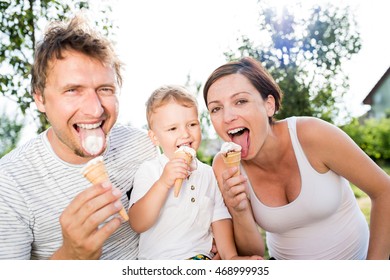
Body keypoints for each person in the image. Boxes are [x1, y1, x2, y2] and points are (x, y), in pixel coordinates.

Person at [0, 15, 157, 259]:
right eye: (72, 90)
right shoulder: (9, 182)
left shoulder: (143, 145)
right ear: (40, 98)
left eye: (105, 89)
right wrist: (70, 255)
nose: (95, 110)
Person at [202, 56, 390, 260]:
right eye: (216, 108)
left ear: (269, 105)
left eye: (241, 101)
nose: (227, 117)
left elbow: (384, 191)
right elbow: (253, 254)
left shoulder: (312, 134)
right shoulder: (225, 165)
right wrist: (239, 210)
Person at [127, 85, 262, 260]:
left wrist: (231, 257)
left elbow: (219, 218)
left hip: (201, 257)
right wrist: (163, 182)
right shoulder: (150, 170)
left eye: (192, 124)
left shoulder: (207, 174)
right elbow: (138, 223)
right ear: (155, 138)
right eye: (172, 129)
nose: (185, 134)